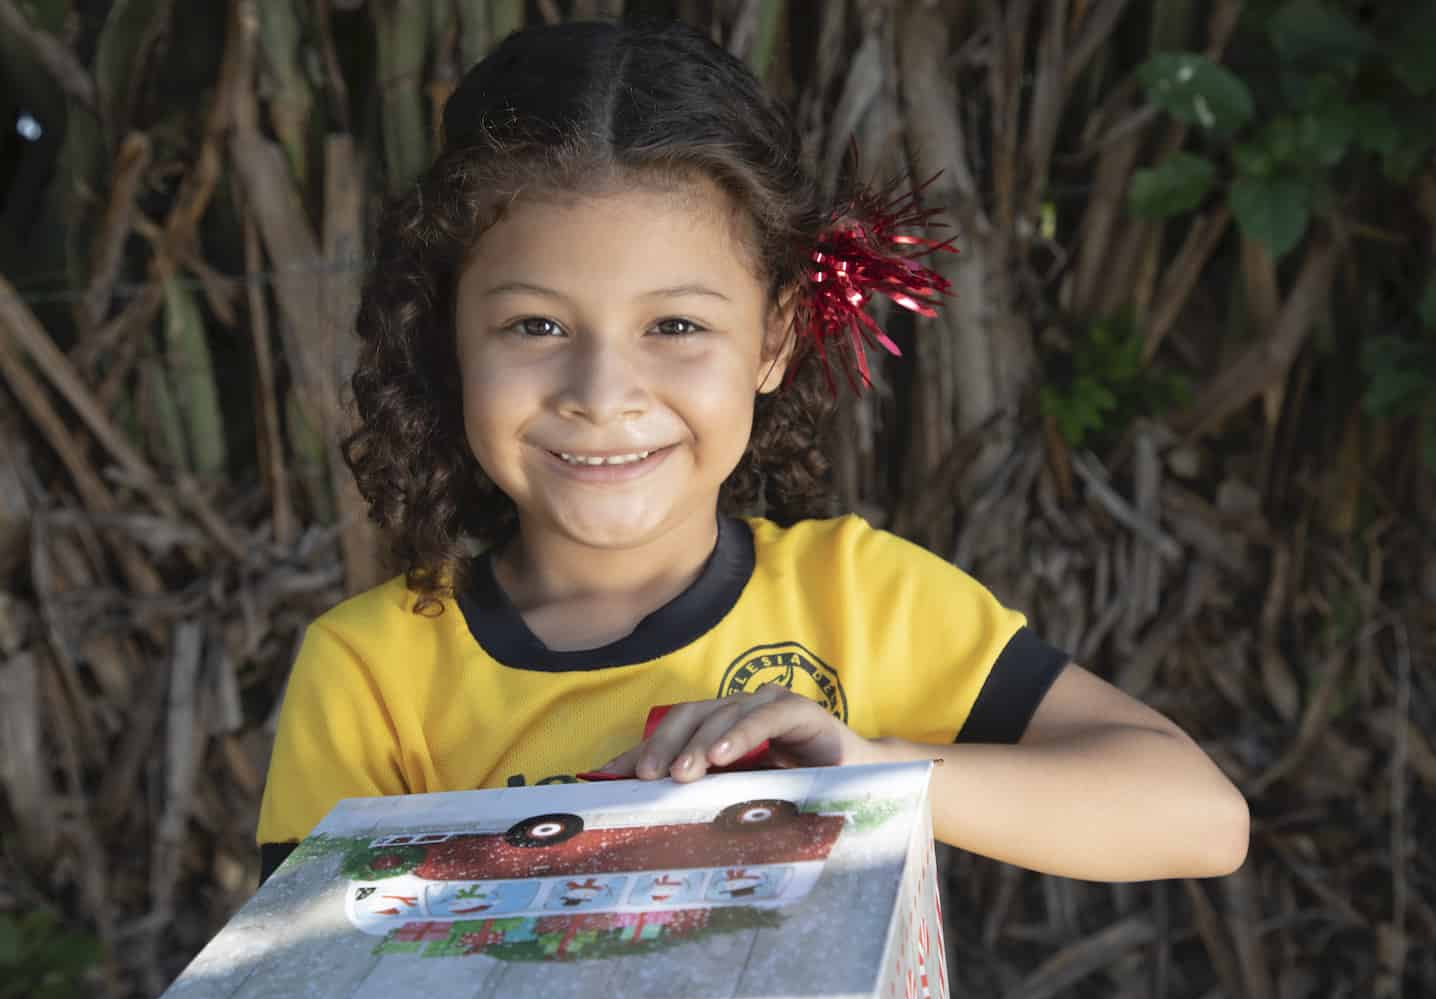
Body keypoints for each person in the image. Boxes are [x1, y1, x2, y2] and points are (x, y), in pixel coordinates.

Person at [255, 18, 1249, 887]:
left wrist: (867, 774)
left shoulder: (860, 603)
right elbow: (295, 993)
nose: (603, 397)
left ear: (774, 339)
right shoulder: (372, 672)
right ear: (449, 338)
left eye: (677, 326)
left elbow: (1202, 816)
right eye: (535, 328)